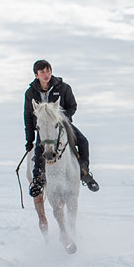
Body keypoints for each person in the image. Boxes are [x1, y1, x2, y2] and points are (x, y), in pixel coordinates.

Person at [24, 59, 99, 196]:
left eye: (48, 71)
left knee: (83, 141)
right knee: (38, 150)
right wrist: (29, 141)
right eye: (42, 72)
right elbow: (28, 117)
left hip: (63, 124)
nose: (46, 74)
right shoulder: (30, 93)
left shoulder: (63, 87)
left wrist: (64, 119)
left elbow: (72, 106)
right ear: (36, 75)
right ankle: (38, 180)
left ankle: (85, 173)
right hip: (44, 128)